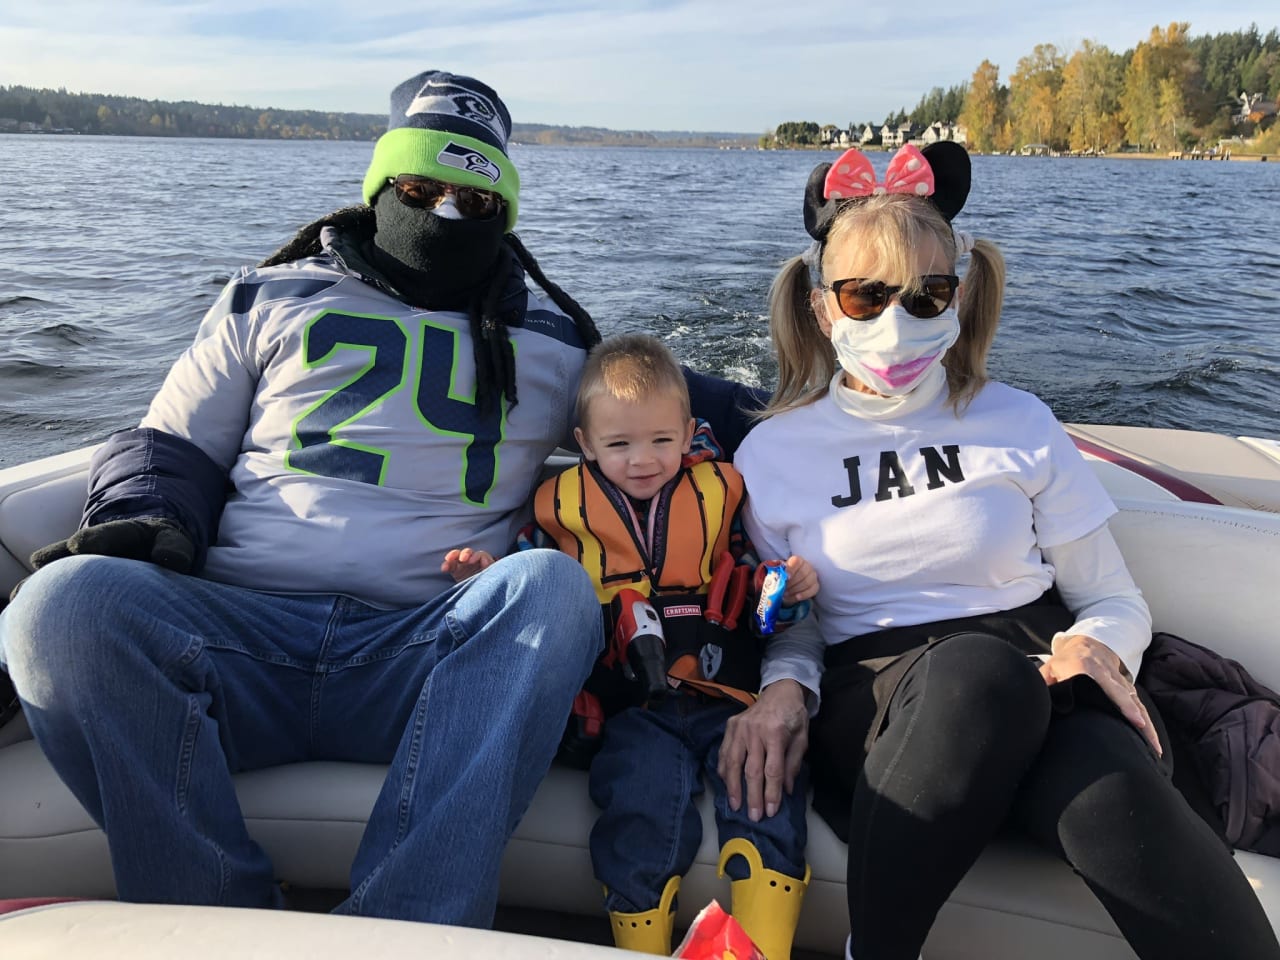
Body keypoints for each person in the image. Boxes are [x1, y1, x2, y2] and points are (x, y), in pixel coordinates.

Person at [1, 69, 611, 928]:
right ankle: (208, 918)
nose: (444, 215)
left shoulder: (556, 344)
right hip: (234, 638)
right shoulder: (269, 293)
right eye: (419, 188)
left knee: (549, 588)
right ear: (376, 189)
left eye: (475, 204)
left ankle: (406, 934)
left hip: (427, 658)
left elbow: (671, 411)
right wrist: (147, 527)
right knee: (58, 607)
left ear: (505, 217)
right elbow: (167, 449)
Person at [715, 143, 1280, 960]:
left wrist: (1099, 650)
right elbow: (791, 617)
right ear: (819, 308)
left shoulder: (1019, 422)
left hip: (1045, 673)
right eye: (865, 296)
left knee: (1110, 795)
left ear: (960, 295)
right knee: (979, 673)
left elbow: (1115, 600)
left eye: (925, 294)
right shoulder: (770, 453)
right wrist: (780, 690)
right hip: (877, 701)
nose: (894, 323)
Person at [444, 334, 816, 959]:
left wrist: (787, 589)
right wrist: (485, 576)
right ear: (584, 445)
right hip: (630, 710)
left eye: (661, 442)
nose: (643, 460)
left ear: (689, 432)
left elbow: (755, 584)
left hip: (725, 695)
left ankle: (762, 950)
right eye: (619, 445)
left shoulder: (723, 497)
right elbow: (527, 582)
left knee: (768, 796)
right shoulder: (557, 512)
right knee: (637, 811)